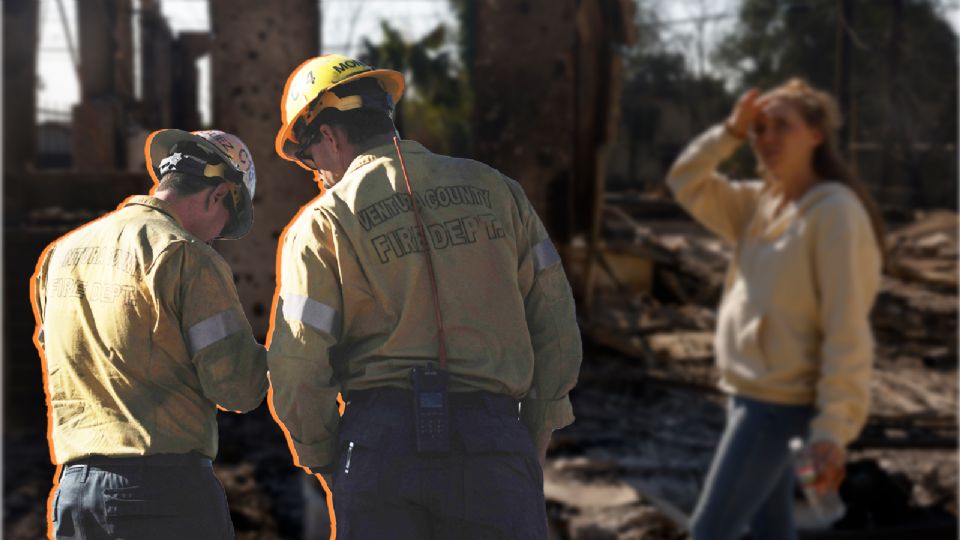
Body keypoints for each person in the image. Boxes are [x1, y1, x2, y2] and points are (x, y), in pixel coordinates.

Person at [268, 54, 582, 539]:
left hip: (380, 452)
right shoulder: (498, 191)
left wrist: (329, 462)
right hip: (496, 444)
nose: (315, 174)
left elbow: (298, 368)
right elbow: (556, 324)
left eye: (309, 159)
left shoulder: (321, 224)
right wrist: (532, 435)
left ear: (328, 138)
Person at [666, 78, 884, 540]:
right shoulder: (757, 204)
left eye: (782, 126)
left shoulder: (835, 213)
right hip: (746, 394)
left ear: (816, 135)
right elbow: (685, 179)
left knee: (710, 531)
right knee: (772, 528)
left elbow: (846, 326)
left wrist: (832, 429)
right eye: (759, 129)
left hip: (779, 408)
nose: (766, 138)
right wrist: (729, 130)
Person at [31, 129, 269, 540]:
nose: (215, 237)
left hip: (74, 495)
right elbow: (238, 388)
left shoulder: (62, 254)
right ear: (219, 196)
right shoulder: (185, 256)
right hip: (161, 495)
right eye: (223, 225)